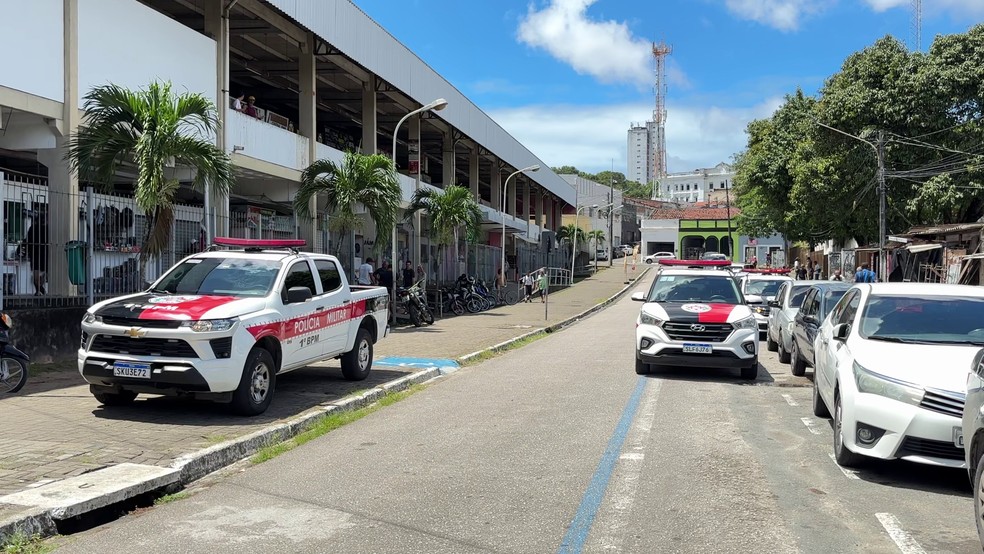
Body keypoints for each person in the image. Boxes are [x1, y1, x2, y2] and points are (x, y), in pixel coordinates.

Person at [24, 213, 48, 295]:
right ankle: (40, 289)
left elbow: (27, 240)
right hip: (45, 253)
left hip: (35, 253)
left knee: (36, 273)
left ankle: (39, 290)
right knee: (44, 273)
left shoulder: (33, 228)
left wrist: (25, 251)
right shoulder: (48, 229)